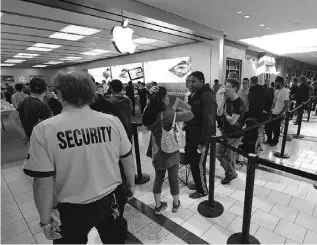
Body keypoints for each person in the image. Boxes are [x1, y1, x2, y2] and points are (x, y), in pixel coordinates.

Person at [23, 71, 136, 244]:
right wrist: (131, 185)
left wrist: (45, 220)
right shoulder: (111, 121)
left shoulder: (44, 129)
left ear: (59, 94)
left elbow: (42, 183)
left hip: (72, 208)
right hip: (110, 199)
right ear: (92, 93)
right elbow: (127, 159)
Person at [142, 86, 194, 214]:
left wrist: (152, 96)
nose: (168, 99)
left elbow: (149, 108)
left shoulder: (148, 113)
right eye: (166, 96)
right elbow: (190, 113)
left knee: (158, 179)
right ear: (161, 99)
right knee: (173, 179)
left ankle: (158, 206)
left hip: (157, 151)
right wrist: (179, 103)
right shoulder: (169, 114)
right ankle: (176, 204)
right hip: (171, 152)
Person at [184, 71, 216, 198]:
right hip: (192, 135)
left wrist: (203, 141)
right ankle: (198, 184)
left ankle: (203, 190)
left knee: (198, 164)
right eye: (189, 81)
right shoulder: (195, 94)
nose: (190, 84)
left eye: (193, 81)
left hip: (200, 137)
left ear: (201, 82)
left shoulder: (206, 95)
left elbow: (209, 121)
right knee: (193, 162)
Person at [216, 78, 246, 184]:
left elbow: (232, 121)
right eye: (225, 86)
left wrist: (224, 112)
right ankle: (231, 173)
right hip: (225, 132)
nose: (226, 88)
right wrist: (222, 100)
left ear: (234, 89)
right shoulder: (227, 99)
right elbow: (218, 113)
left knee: (225, 155)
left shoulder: (239, 104)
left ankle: (230, 174)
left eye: (228, 86)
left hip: (234, 134)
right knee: (221, 154)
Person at [265, 76, 290, 146]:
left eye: (276, 82)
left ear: (280, 83)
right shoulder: (277, 90)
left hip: (278, 113)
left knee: (276, 129)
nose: (275, 84)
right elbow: (274, 101)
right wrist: (271, 109)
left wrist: (281, 113)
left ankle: (275, 141)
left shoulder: (285, 91)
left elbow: (287, 104)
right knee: (268, 127)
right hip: (273, 111)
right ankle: (269, 140)